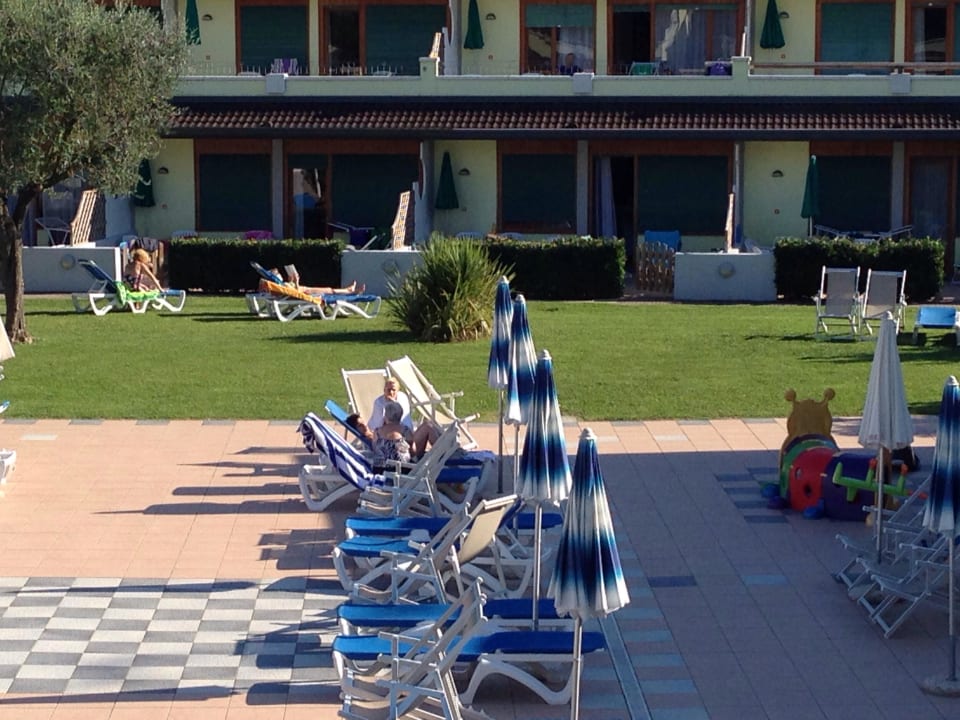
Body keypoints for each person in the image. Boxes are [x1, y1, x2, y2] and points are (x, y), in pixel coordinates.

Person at [261, 267, 364, 296]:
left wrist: (291, 280)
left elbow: (290, 290)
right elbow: (296, 293)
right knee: (329, 290)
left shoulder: (279, 286)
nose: (280, 274)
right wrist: (296, 281)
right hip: (307, 292)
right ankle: (350, 291)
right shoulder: (280, 286)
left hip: (306, 290)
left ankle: (349, 290)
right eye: (278, 274)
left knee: (330, 290)